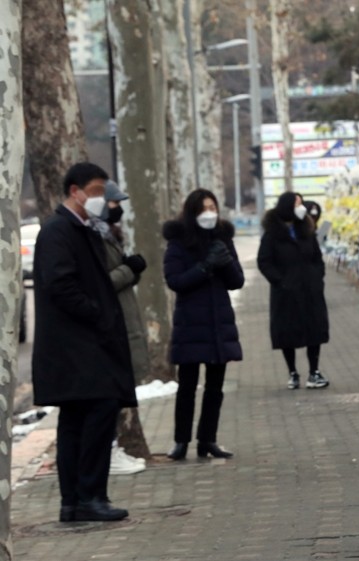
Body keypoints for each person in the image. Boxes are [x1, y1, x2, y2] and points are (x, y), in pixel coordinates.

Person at [32, 162, 137, 522]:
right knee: (94, 414)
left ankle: (76, 501)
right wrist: (97, 313)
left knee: (80, 420)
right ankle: (87, 496)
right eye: (93, 191)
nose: (99, 198)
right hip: (76, 346)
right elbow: (61, 286)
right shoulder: (58, 230)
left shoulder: (85, 229)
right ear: (74, 191)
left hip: (85, 345)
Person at [163, 189, 244, 460]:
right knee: (187, 386)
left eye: (213, 207)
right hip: (190, 324)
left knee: (215, 387)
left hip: (218, 323)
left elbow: (237, 281)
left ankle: (207, 439)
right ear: (192, 212)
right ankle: (181, 441)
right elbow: (175, 281)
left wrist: (225, 261)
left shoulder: (222, 239)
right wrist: (205, 266)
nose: (210, 213)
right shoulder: (178, 243)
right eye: (204, 209)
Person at [90, 180, 149, 476]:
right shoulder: (95, 237)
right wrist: (130, 269)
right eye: (114, 203)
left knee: (116, 394)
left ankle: (113, 449)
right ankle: (108, 453)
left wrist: (130, 269)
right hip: (110, 324)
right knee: (108, 396)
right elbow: (103, 282)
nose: (118, 209)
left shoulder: (109, 234)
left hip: (121, 319)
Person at [258, 192, 330, 389]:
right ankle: (292, 371)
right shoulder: (273, 234)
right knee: (287, 331)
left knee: (314, 329)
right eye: (297, 204)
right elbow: (264, 261)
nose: (302, 208)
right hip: (286, 292)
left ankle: (314, 371)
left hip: (310, 289)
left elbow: (316, 257)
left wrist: (317, 277)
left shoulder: (306, 230)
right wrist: (280, 281)